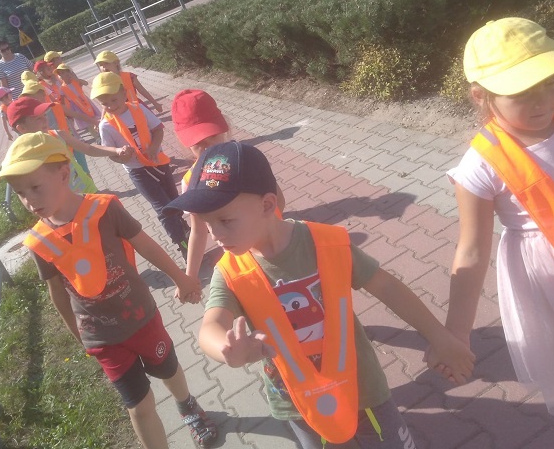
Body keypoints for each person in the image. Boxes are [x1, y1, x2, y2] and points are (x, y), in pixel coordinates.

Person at [169, 141, 475, 449]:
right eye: (207, 223)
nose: (214, 234)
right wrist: (226, 349)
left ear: (267, 205)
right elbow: (211, 326)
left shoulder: (326, 244)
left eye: (225, 220)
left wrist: (440, 337)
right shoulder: (230, 272)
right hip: (296, 401)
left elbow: (386, 287)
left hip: (361, 386)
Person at [437, 17, 554, 446]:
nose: (542, 101)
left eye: (550, 83)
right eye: (522, 93)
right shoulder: (480, 166)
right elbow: (472, 251)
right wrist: (456, 331)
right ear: (481, 96)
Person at [0, 132, 218, 448]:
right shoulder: (40, 242)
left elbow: (146, 245)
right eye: (20, 193)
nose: (29, 200)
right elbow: (57, 292)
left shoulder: (105, 209)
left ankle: (187, 405)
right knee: (139, 406)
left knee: (168, 370)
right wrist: (79, 336)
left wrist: (181, 278)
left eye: (35, 187)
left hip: (141, 318)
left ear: (64, 174)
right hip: (102, 338)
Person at [170, 88, 285, 283]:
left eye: (212, 136)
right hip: (242, 258)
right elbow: (198, 231)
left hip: (274, 242)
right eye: (198, 143)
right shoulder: (192, 181)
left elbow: (278, 201)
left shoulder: (247, 160)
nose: (208, 147)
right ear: (184, 142)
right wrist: (190, 275)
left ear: (223, 127)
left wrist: (265, 231)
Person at [91, 72, 190, 258]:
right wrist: (121, 157)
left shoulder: (138, 109)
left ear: (124, 93)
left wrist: (153, 147)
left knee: (173, 200)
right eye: (105, 103)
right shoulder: (106, 126)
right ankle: (182, 243)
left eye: (114, 100)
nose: (111, 106)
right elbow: (110, 153)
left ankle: (183, 227)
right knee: (163, 208)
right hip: (139, 172)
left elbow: (158, 129)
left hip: (159, 163)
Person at [6, 96, 131, 194]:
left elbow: (89, 148)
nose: (45, 120)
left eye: (44, 115)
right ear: (22, 128)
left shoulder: (57, 135)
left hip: (89, 190)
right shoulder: (25, 156)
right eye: (38, 119)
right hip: (65, 204)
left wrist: (116, 150)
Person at [94, 50, 162, 113]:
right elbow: (105, 102)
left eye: (106, 63)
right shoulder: (104, 83)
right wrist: (102, 118)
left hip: (136, 108)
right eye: (100, 65)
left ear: (116, 63)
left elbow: (142, 90)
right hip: (120, 112)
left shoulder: (129, 76)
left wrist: (155, 103)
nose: (103, 67)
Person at [56, 63, 101, 139]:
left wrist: (76, 79)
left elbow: (86, 83)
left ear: (69, 73)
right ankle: (97, 137)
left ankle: (100, 132)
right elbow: (62, 102)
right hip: (76, 106)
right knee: (87, 122)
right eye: (60, 74)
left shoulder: (75, 82)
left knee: (93, 117)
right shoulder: (62, 88)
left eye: (64, 72)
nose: (62, 75)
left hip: (85, 102)